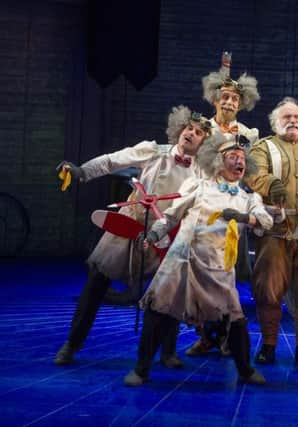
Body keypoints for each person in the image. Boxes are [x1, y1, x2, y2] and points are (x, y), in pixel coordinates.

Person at [53, 106, 210, 367]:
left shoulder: (202, 172)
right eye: (189, 129)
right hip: (131, 224)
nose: (191, 134)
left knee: (171, 293)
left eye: (199, 133)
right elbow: (113, 160)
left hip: (168, 234)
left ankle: (168, 352)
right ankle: (71, 344)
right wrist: (81, 171)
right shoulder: (153, 151)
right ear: (180, 130)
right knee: (96, 282)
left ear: (205, 143)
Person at [123, 132, 273, 386]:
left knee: (233, 317)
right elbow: (171, 215)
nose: (239, 162)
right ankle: (141, 369)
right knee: (157, 309)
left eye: (242, 159)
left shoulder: (248, 197)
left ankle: (245, 370)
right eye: (233, 157)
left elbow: (266, 221)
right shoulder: (198, 185)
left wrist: (244, 216)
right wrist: (154, 233)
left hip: (216, 266)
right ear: (217, 161)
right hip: (179, 260)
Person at [184, 52, 262, 358]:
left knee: (226, 273)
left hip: (231, 206)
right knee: (200, 274)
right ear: (215, 100)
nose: (229, 103)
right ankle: (206, 335)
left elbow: (251, 170)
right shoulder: (203, 128)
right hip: (204, 205)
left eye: (234, 100)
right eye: (224, 97)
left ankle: (229, 335)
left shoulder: (247, 134)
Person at [244, 97, 298, 366]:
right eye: (286, 118)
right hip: (275, 232)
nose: (292, 121)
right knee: (268, 291)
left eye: (297, 117)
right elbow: (252, 172)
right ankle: (268, 346)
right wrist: (271, 184)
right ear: (274, 124)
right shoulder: (264, 147)